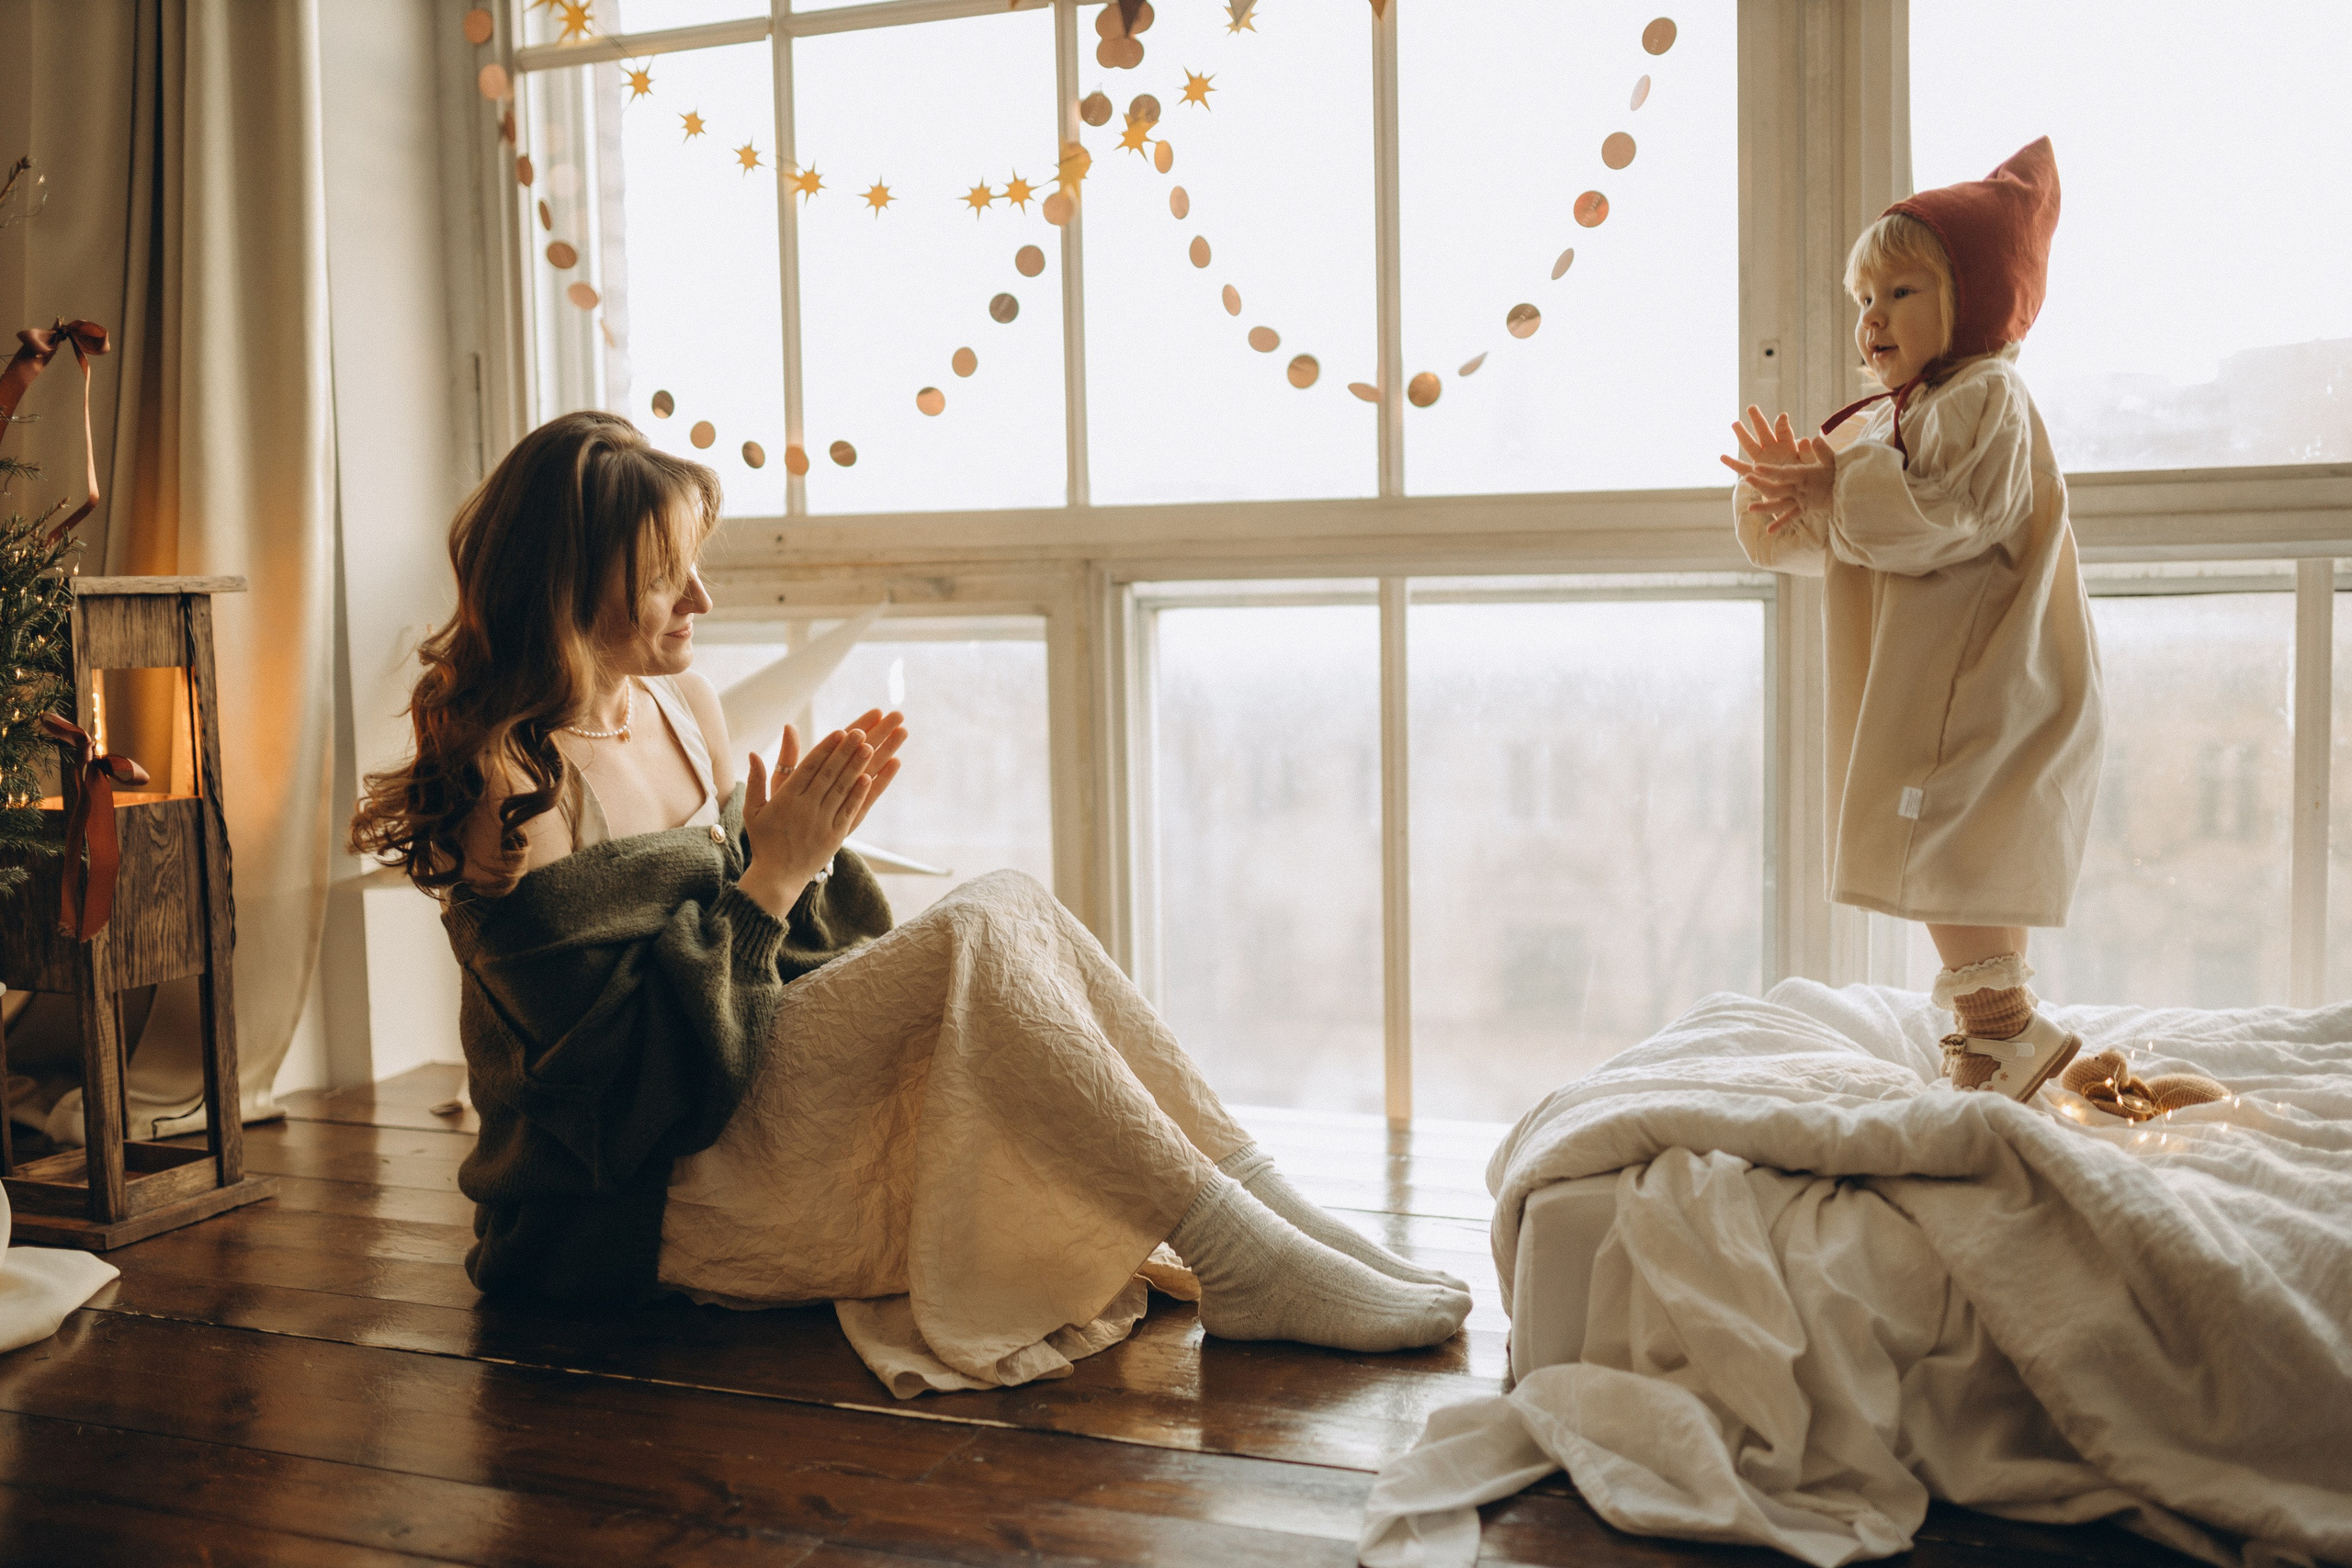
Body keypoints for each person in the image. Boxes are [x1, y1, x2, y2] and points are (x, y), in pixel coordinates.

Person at [348, 410, 1470, 1391]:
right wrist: (770, 876)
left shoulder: (685, 706)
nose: (701, 599)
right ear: (565, 584)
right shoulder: (513, 783)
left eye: (695, 565)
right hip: (631, 1206)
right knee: (978, 924)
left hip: (741, 1100)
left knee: (1006, 902)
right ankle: (1241, 1250)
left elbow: (788, 964)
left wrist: (804, 859)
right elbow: (613, 1101)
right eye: (661, 578)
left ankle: (1264, 1216)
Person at [1718, 138, 2103, 1102]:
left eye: (1900, 292)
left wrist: (1835, 486)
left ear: (1970, 302)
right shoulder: (1912, 411)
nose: (1872, 317)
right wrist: (1791, 496)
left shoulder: (1983, 398)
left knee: (1945, 848)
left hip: (1980, 682)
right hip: (1952, 682)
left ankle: (2003, 1029)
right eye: (1864, 297)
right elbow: (1859, 533)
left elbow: (1942, 515)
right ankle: (1992, 1038)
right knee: (1970, 851)